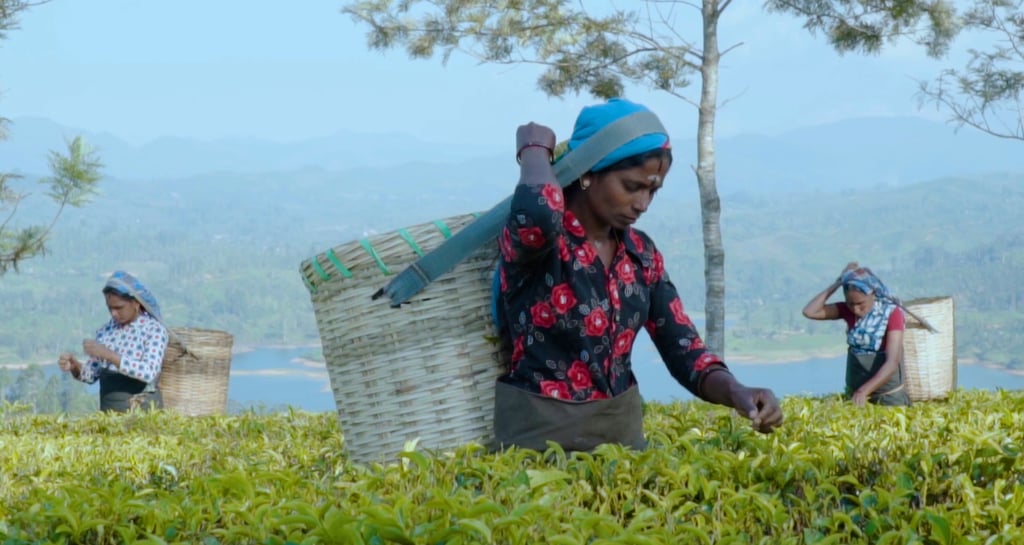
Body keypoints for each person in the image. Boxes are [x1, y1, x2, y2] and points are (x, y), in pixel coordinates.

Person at [491, 98, 784, 452]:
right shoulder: (540, 246)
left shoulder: (641, 255)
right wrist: (534, 150)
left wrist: (737, 391)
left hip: (622, 451)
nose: (642, 204)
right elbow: (537, 213)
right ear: (588, 172)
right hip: (538, 452)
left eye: (652, 190)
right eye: (632, 187)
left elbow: (684, 350)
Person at [57, 270, 170, 411]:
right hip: (110, 413)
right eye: (110, 308)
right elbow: (90, 376)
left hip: (143, 411)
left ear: (135, 303)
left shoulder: (153, 330)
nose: (114, 313)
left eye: (119, 308)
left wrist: (109, 355)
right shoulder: (106, 331)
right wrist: (74, 367)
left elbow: (148, 372)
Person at [802, 262, 911, 406]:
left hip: (887, 396)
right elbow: (809, 311)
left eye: (861, 304)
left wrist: (864, 391)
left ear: (873, 294)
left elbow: (892, 362)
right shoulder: (847, 311)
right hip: (856, 395)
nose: (855, 309)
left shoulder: (891, 313)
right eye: (850, 303)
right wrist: (838, 282)